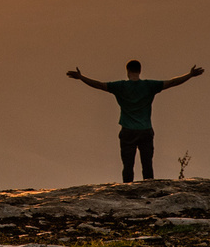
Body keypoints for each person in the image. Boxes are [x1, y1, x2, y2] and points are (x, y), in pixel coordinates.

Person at [67, 59, 202, 182]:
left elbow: (99, 85)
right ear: (140, 71)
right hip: (145, 130)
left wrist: (81, 77)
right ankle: (149, 191)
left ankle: (127, 190)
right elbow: (172, 82)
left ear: (127, 71)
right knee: (147, 165)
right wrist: (190, 75)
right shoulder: (149, 86)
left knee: (128, 165)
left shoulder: (120, 86)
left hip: (128, 131)